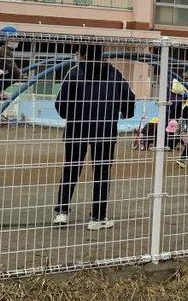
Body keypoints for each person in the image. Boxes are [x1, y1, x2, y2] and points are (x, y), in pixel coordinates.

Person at [52, 43, 136, 230]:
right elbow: (129, 103)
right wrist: (121, 112)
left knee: (71, 170)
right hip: (105, 131)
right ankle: (97, 217)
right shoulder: (114, 74)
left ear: (82, 54)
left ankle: (62, 212)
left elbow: (61, 104)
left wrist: (73, 114)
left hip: (77, 129)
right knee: (102, 172)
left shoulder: (74, 73)